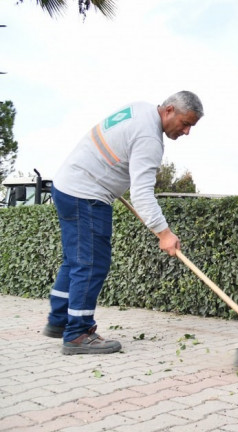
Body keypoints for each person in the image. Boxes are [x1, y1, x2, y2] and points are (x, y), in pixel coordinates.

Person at [42, 91, 204, 355]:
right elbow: (141, 194)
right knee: (91, 263)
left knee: (75, 261)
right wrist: (164, 233)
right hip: (87, 195)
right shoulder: (149, 138)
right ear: (169, 110)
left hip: (67, 186)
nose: (186, 131)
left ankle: (59, 321)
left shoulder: (139, 109)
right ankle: (78, 334)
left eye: (191, 126)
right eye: (185, 123)